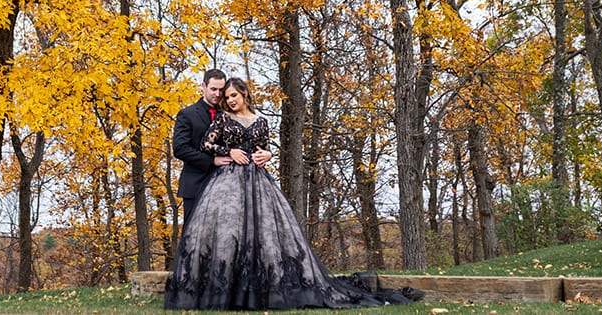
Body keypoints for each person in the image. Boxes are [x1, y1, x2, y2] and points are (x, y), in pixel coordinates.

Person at [165, 77, 424, 311]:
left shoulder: (262, 121)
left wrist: (268, 154)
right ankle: (222, 290)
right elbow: (205, 144)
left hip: (258, 183)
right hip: (227, 184)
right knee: (225, 235)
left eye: (233, 95)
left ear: (244, 94)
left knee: (263, 234)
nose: (229, 100)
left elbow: (264, 148)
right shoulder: (220, 118)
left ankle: (259, 290)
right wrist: (227, 152)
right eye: (226, 96)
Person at [172, 69, 273, 226]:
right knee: (193, 237)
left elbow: (258, 144)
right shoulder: (187, 114)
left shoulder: (231, 113)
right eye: (213, 89)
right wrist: (212, 160)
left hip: (229, 186)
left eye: (221, 90)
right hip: (196, 183)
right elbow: (180, 149)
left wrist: (268, 154)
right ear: (203, 86)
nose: (218, 94)